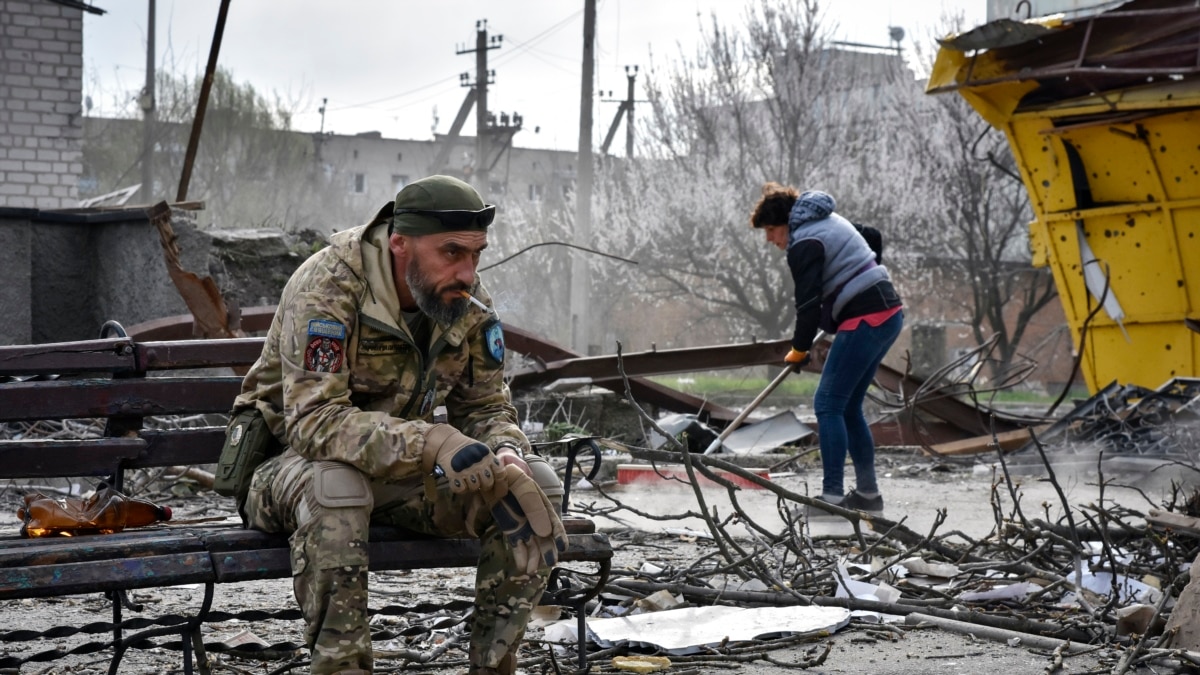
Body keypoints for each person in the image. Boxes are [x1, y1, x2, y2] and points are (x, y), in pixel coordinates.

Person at [232, 174, 566, 675]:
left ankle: (494, 664)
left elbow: (487, 409)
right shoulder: (329, 286)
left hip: (395, 474)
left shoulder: (465, 301)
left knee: (530, 485)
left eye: (476, 254)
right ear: (400, 243)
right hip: (288, 470)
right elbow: (313, 423)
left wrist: (506, 452)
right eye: (451, 252)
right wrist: (431, 441)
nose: (467, 272)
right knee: (337, 488)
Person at [749, 184, 903, 515]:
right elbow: (872, 235)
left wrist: (799, 349)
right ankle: (867, 496)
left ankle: (832, 500)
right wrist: (865, 274)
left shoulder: (805, 242)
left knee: (827, 404)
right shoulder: (829, 220)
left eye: (772, 231)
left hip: (866, 318)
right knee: (847, 408)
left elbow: (807, 305)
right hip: (886, 314)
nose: (770, 240)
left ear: (786, 223)